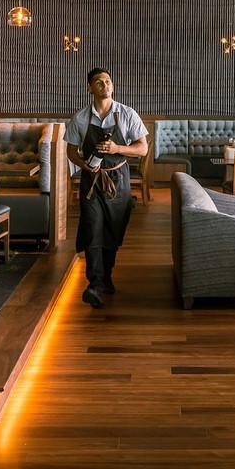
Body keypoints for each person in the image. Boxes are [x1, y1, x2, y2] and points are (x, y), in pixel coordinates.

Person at [65, 68, 148, 309]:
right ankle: (95, 284)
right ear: (90, 88)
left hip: (118, 179)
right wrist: (83, 164)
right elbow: (71, 150)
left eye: (108, 81)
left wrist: (117, 149)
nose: (105, 85)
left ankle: (107, 277)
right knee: (92, 228)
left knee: (113, 229)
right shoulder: (80, 118)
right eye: (98, 82)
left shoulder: (127, 114)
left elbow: (142, 148)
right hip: (91, 181)